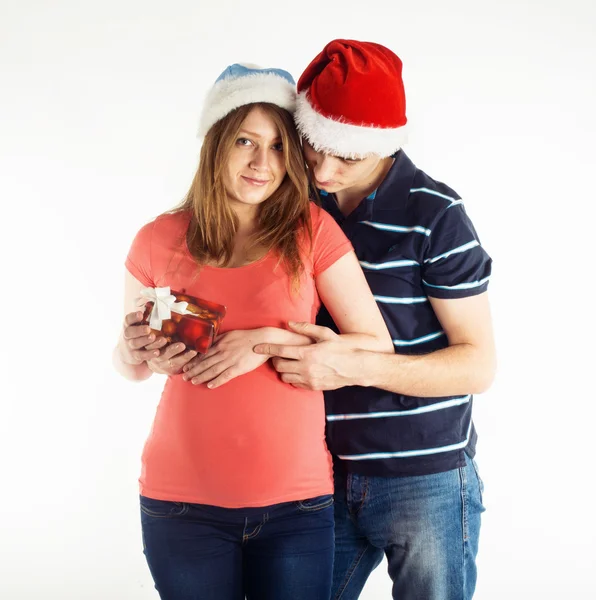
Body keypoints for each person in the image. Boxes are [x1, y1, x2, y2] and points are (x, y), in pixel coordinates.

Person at [112, 62, 393, 600]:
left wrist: (261, 342)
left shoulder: (313, 231)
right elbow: (133, 367)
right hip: (180, 503)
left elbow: (374, 345)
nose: (263, 163)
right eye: (245, 140)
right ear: (215, 143)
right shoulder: (156, 239)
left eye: (279, 146)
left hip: (297, 504)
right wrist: (131, 348)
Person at [254, 40, 496, 600]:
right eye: (313, 145)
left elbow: (477, 364)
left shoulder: (436, 215)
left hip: (427, 481)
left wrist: (354, 366)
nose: (323, 167)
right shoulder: (298, 202)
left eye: (348, 155)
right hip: (318, 473)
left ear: (382, 145)